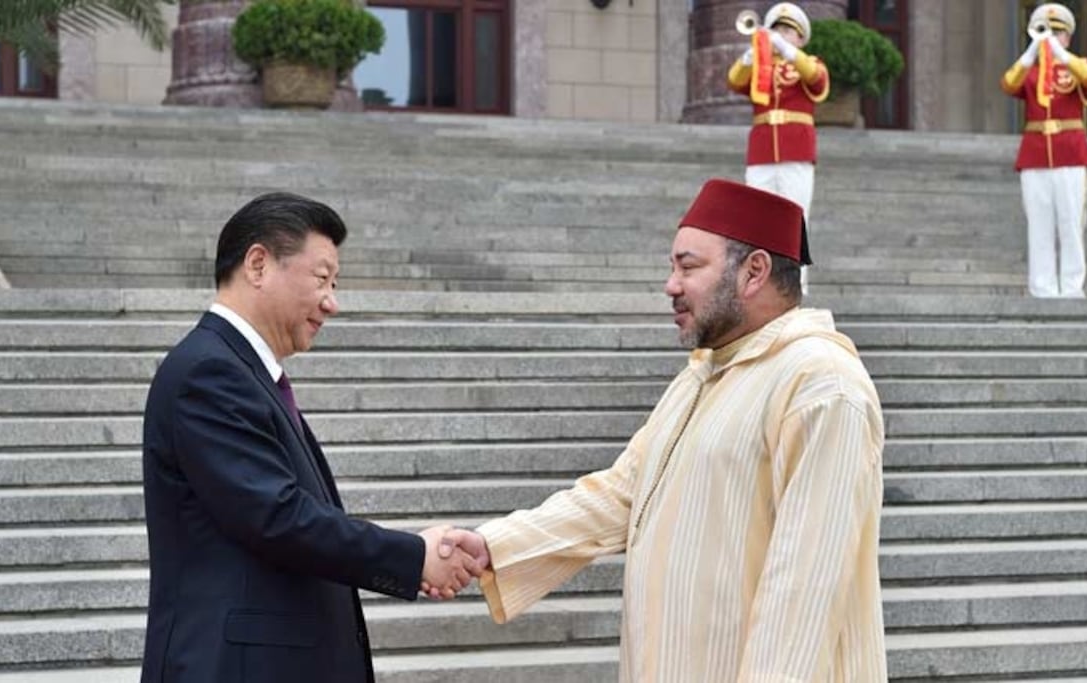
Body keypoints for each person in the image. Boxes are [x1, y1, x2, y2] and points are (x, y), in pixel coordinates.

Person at [440, 179, 887, 681]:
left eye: (688, 266)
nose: (670, 285)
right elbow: (621, 495)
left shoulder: (821, 384)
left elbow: (806, 585)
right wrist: (495, 546)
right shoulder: (705, 373)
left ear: (754, 271)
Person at [139, 192, 483, 683]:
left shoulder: (242, 374)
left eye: (335, 283)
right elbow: (278, 517)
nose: (332, 303)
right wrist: (414, 557)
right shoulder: (209, 373)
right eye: (322, 279)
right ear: (258, 264)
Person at [726, 2, 829, 293]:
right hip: (761, 153)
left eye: (787, 31)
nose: (781, 36)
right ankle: (760, 283)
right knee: (756, 220)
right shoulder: (761, 69)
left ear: (799, 38)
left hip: (795, 150)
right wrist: (749, 56)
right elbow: (734, 81)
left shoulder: (809, 63)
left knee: (795, 218)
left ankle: (796, 285)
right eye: (776, 31)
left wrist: (786, 51)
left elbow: (818, 80)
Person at [1001, 2, 1087, 298]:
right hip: (1035, 156)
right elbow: (1008, 83)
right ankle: (1041, 288)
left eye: (1058, 32)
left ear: (1068, 36)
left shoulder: (1078, 65)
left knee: (1071, 223)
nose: (1051, 37)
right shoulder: (1030, 74)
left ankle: (1071, 287)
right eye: (1047, 31)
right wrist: (1032, 52)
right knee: (1039, 225)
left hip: (1070, 154)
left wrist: (1060, 54)